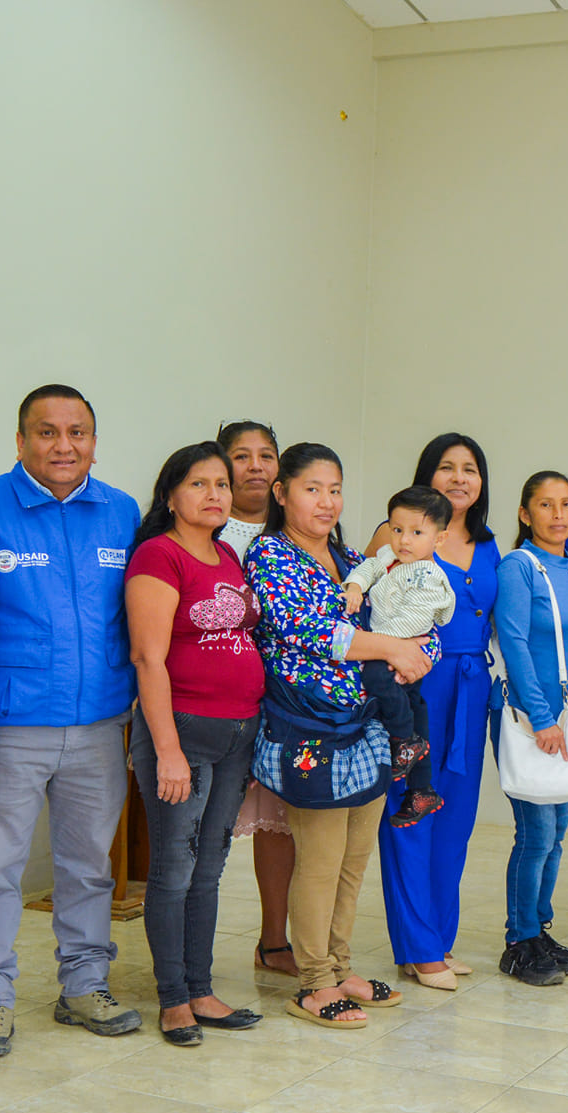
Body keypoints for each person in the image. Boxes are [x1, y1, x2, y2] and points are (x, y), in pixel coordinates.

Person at [0, 385, 143, 1055]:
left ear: (94, 441)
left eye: (77, 432)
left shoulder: (122, 512)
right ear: (20, 440)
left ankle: (85, 986)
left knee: (89, 866)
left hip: (99, 724)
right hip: (9, 726)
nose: (64, 446)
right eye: (47, 432)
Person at [250, 443, 430, 1027]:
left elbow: (413, 617)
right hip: (311, 727)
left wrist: (414, 652)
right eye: (312, 489)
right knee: (321, 862)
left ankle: (340, 965)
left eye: (335, 489)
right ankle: (313, 983)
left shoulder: (355, 559)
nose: (326, 502)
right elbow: (311, 631)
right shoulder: (271, 555)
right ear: (282, 494)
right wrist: (394, 649)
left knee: (354, 861)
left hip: (367, 727)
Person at [125, 442, 267, 1047]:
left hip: (238, 732)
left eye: (222, 484)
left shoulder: (228, 554)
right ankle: (173, 999)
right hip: (182, 732)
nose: (215, 495)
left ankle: (201, 989)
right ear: (170, 495)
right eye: (199, 484)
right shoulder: (158, 555)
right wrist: (167, 750)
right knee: (174, 871)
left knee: (209, 870)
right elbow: (147, 658)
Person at [366, 434, 501, 990]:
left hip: (471, 689)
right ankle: (418, 948)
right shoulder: (396, 535)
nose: (459, 478)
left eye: (470, 469)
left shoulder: (490, 545)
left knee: (457, 816)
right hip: (414, 681)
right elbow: (367, 604)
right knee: (410, 806)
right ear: (427, 475)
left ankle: (439, 940)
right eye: (447, 467)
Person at [494, 472, 568, 986]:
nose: (559, 515)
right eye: (545, 505)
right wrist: (542, 719)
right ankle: (518, 941)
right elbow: (514, 642)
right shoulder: (519, 567)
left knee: (557, 835)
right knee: (535, 834)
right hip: (533, 718)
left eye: (566, 504)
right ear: (525, 514)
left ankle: (539, 930)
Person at [217, 420, 299, 979]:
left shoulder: (296, 530)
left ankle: (274, 940)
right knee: (208, 828)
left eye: (266, 455)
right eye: (241, 455)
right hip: (219, 701)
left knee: (278, 824)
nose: (255, 466)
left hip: (285, 703)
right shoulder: (206, 527)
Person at [344, 486, 456, 827]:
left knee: (376, 679)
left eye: (417, 533)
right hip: (392, 647)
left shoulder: (429, 576)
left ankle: (404, 740)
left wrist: (380, 645)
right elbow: (368, 568)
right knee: (415, 708)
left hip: (400, 649)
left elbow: (414, 620)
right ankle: (421, 789)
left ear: (439, 539)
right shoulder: (388, 557)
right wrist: (355, 586)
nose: (404, 540)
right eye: (397, 529)